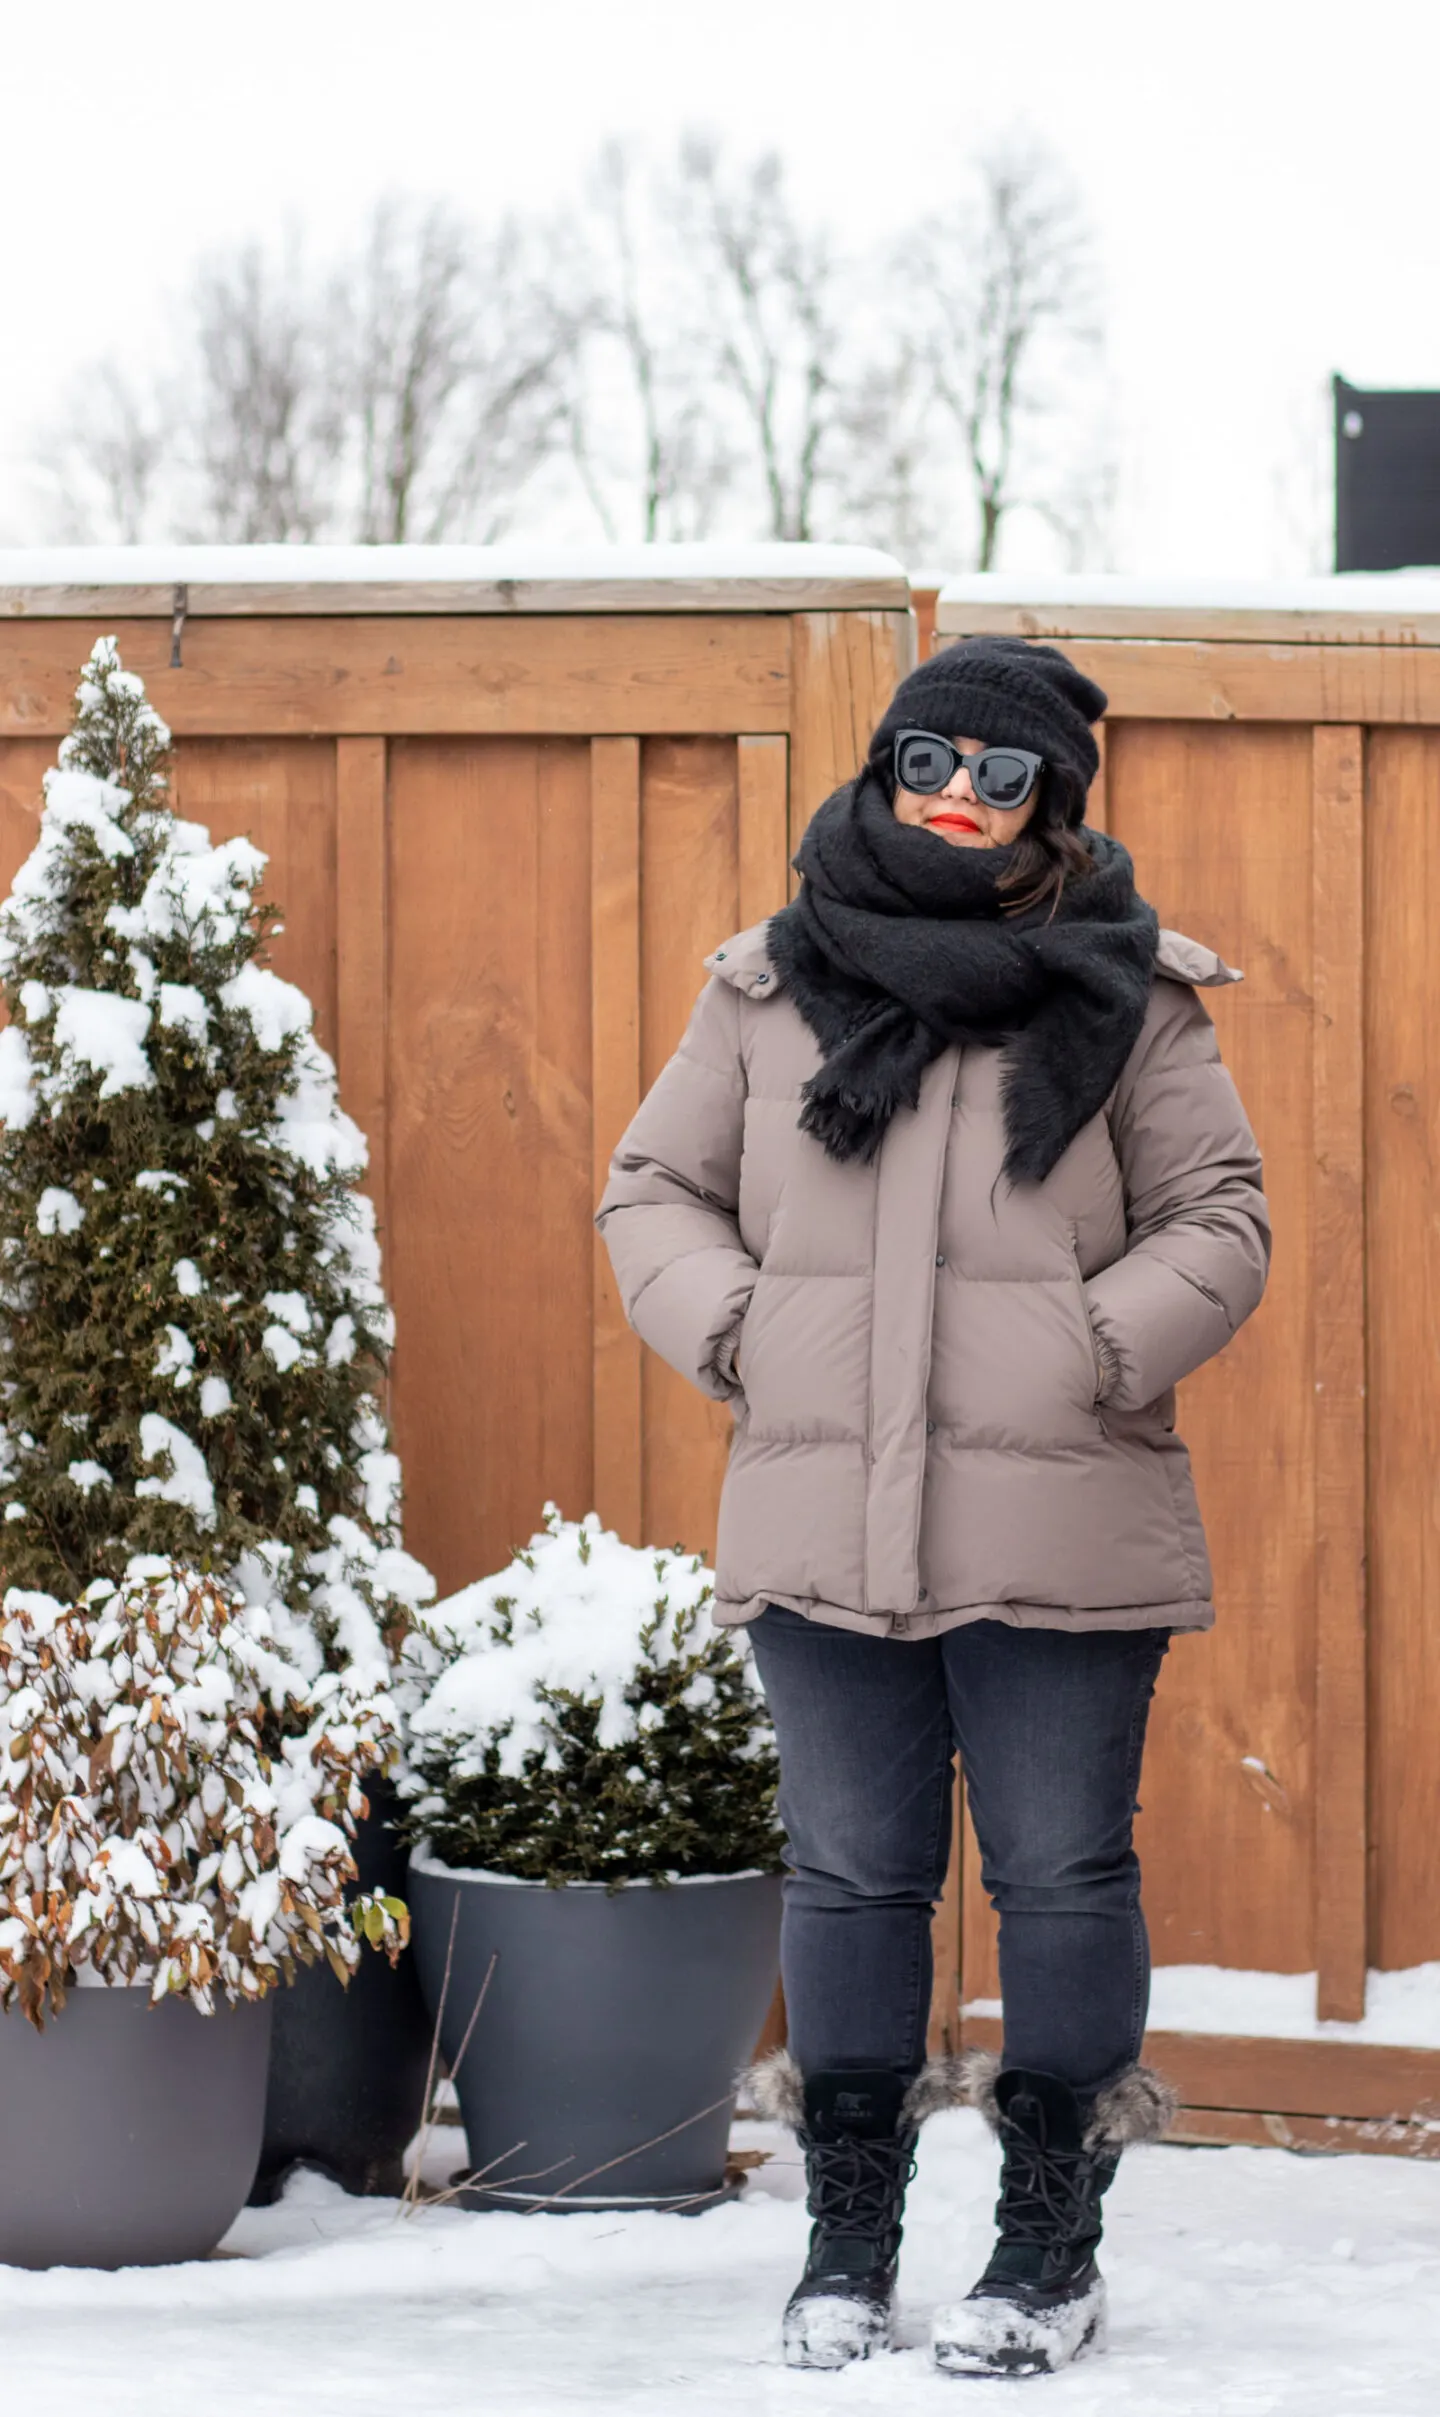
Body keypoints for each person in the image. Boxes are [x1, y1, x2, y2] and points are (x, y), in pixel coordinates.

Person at [596, 637, 1270, 2379]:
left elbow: (1222, 1217)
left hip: (1064, 1521)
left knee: (1061, 1877)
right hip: (828, 1519)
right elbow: (657, 1188)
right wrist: (742, 1327)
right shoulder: (765, 988)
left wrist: (1097, 1350)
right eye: (930, 760)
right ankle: (848, 2244)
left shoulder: (1137, 996)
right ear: (885, 766)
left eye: (1004, 773)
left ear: (1059, 802)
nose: (960, 796)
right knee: (849, 1882)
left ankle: (1047, 2246)